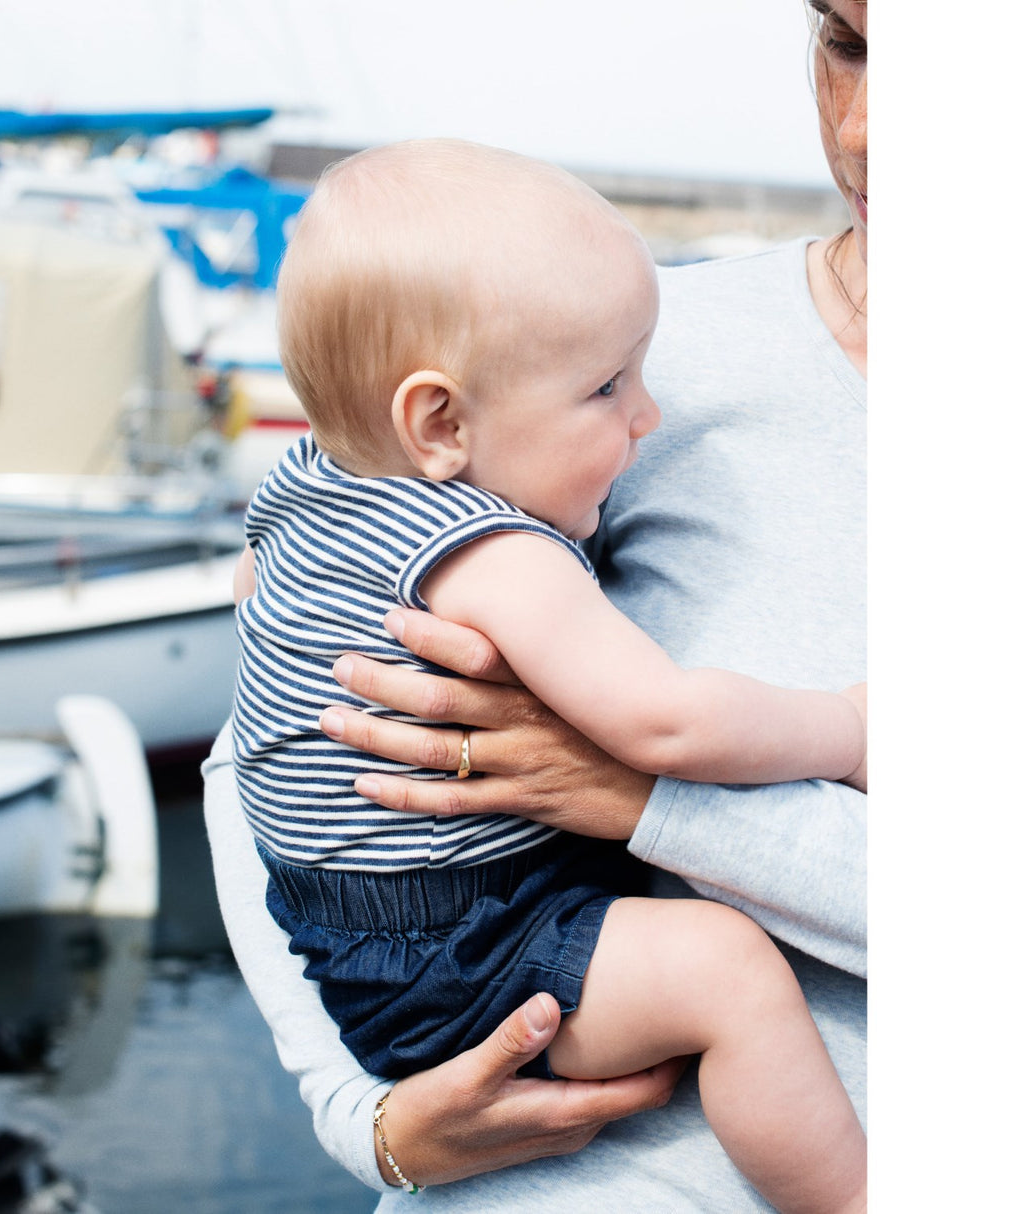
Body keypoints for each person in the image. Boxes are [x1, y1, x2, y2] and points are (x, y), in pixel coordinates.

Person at [202, 0, 867, 1208]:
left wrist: (638, 803)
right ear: (439, 421)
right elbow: (259, 751)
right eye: (844, 42)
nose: (866, 131)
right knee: (718, 964)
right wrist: (372, 1123)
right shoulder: (585, 359)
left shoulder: (341, 470)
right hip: (472, 1003)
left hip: (417, 952)